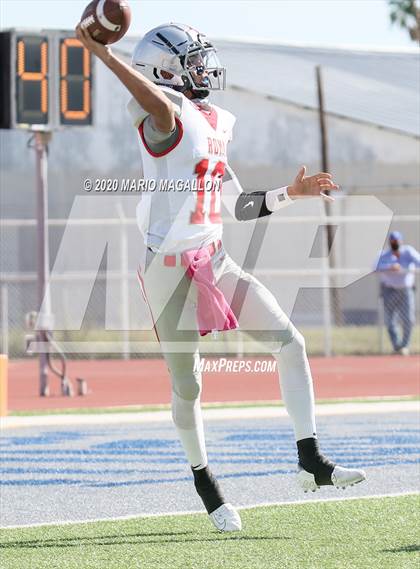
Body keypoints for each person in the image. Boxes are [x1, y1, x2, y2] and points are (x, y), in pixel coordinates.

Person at [76, 22, 366, 532]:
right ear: (165, 71)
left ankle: (310, 459)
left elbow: (237, 205)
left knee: (290, 342)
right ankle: (205, 483)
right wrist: (102, 53)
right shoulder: (163, 113)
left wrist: (289, 194)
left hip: (214, 259)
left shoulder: (214, 121)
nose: (203, 68)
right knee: (188, 386)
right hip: (167, 271)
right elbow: (156, 103)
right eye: (191, 60)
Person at [375, 231, 420, 355]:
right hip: (389, 290)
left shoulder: (408, 252)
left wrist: (405, 267)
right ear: (390, 242)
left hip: (406, 289)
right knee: (390, 320)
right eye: (393, 241)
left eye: (397, 241)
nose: (395, 243)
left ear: (401, 241)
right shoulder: (384, 254)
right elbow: (375, 267)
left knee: (409, 319)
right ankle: (397, 346)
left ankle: (405, 346)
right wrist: (390, 267)